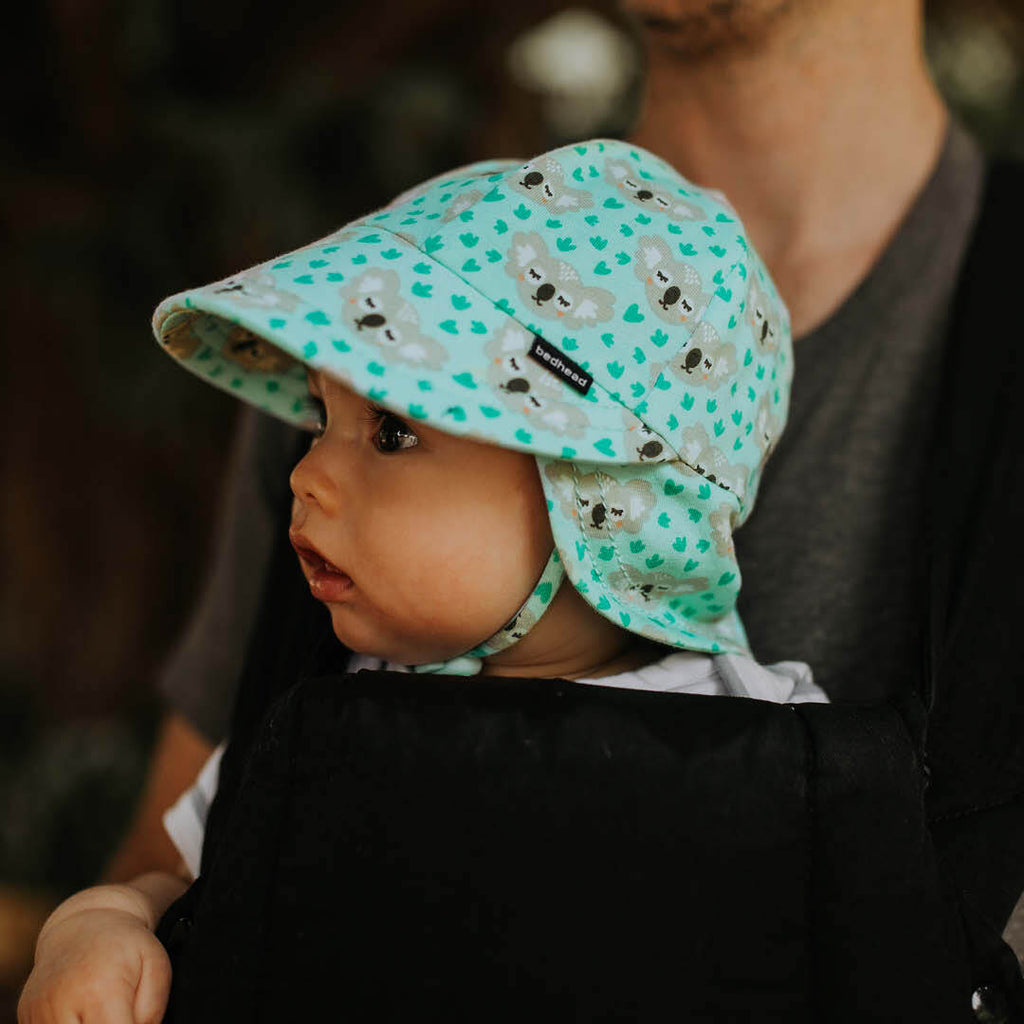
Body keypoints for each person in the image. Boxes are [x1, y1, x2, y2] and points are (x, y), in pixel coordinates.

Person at [19, 135, 831, 1021]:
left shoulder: (765, 749)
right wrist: (101, 923)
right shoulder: (319, 719)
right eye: (319, 420)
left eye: (392, 433)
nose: (305, 475)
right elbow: (174, 879)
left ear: (602, 501)